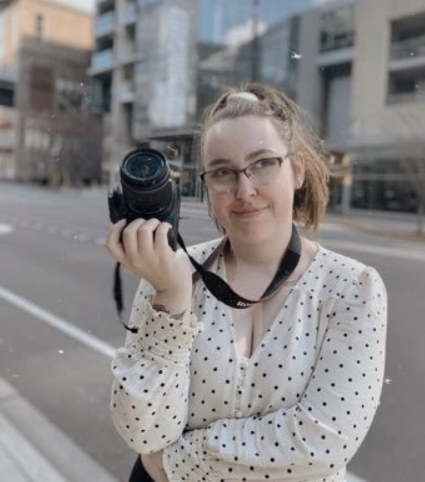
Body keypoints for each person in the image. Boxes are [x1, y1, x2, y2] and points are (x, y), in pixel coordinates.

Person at [105, 83, 387, 482]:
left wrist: (171, 463)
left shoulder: (352, 288)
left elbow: (322, 443)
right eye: (223, 171)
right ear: (207, 185)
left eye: (263, 163)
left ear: (298, 169)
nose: (244, 189)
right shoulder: (171, 273)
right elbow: (143, 430)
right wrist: (172, 297)